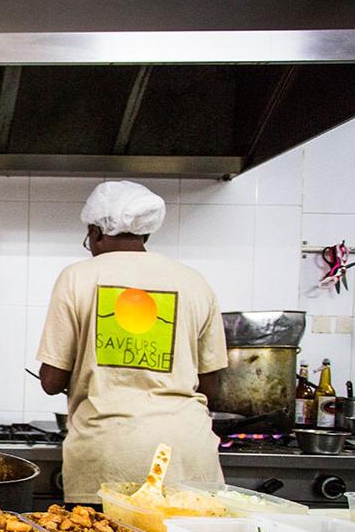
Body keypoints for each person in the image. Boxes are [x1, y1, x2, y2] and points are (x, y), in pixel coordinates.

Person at [35, 181, 226, 504]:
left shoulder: (79, 276)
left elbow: (52, 381)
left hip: (109, 456)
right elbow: (211, 386)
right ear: (146, 233)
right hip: (187, 456)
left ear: (95, 232)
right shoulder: (194, 281)